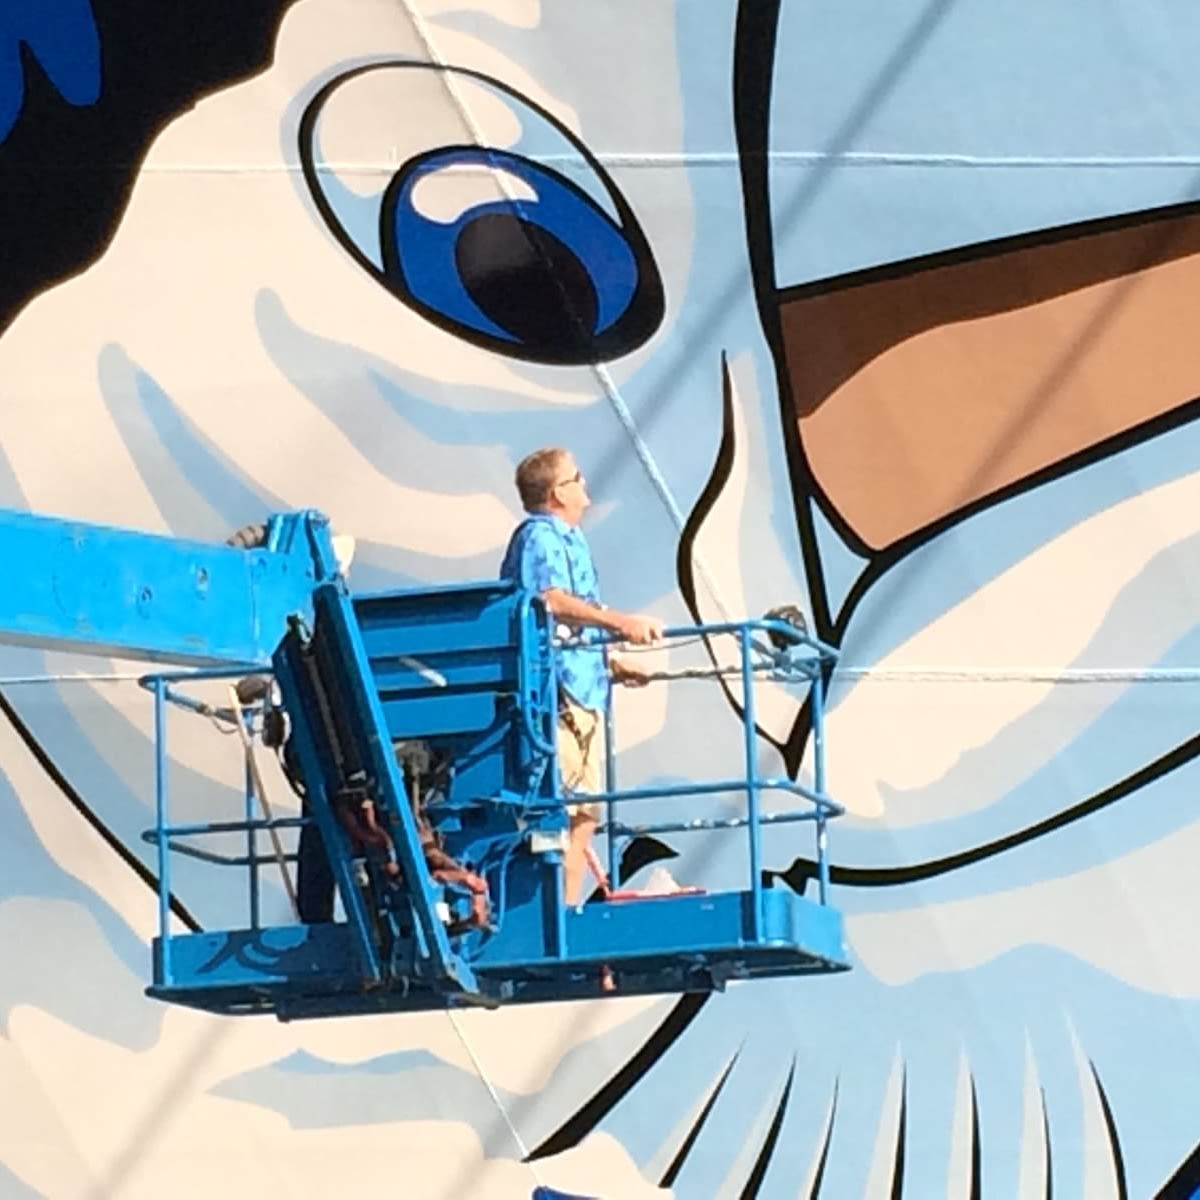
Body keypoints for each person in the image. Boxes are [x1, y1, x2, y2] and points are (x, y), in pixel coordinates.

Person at [500, 447, 664, 905]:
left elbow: (574, 618)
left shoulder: (572, 539)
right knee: (567, 808)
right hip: (557, 692)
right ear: (558, 493)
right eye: (577, 479)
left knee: (586, 811)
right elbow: (549, 600)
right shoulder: (539, 537)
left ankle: (566, 907)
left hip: (585, 686)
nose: (585, 487)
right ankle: (558, 913)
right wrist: (619, 622)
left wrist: (610, 660)